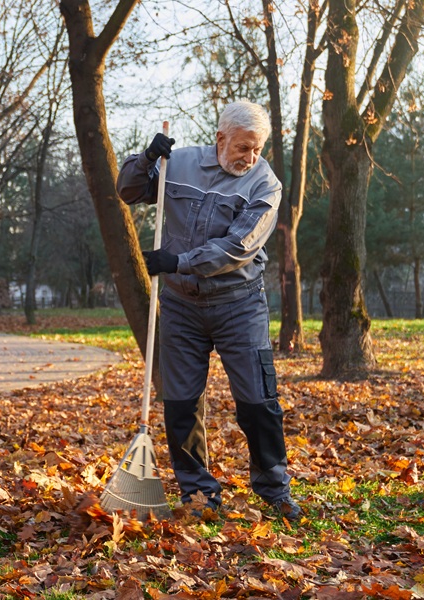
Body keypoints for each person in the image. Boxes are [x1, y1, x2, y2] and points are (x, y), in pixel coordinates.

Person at [116, 100, 302, 520]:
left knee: (258, 401)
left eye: (256, 149)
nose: (250, 158)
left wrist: (177, 261)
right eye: (242, 148)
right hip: (181, 307)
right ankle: (198, 494)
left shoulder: (264, 184)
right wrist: (145, 159)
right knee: (180, 403)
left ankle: (275, 489)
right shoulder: (177, 164)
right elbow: (127, 190)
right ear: (221, 139)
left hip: (239, 305)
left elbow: (240, 246)